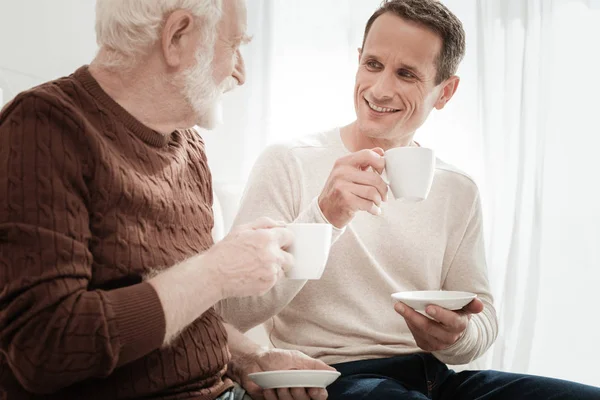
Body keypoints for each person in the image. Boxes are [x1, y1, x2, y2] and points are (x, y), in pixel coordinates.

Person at [217, 0, 600, 398]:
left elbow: (483, 321)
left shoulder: (458, 189)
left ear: (445, 91)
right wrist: (323, 217)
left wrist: (456, 335)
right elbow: (232, 313)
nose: (380, 89)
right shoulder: (289, 163)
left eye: (406, 74)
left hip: (440, 379)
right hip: (336, 378)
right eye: (373, 64)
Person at [0, 1, 334, 399]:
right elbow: (44, 349)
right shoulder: (44, 126)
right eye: (234, 45)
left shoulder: (188, 144)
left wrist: (252, 357)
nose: (241, 73)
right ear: (177, 37)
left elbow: (176, 313)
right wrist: (216, 271)